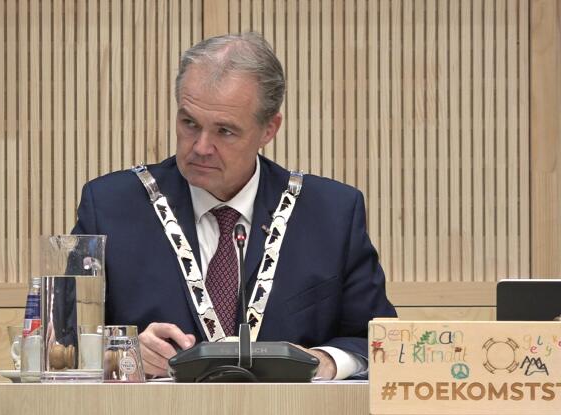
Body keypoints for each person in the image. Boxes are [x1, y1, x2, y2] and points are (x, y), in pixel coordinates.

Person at [72, 32, 396, 379]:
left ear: (269, 129)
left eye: (224, 131)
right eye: (189, 123)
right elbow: (63, 340)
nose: (201, 147)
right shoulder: (109, 207)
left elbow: (377, 341)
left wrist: (326, 361)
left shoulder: (331, 213)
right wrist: (119, 351)